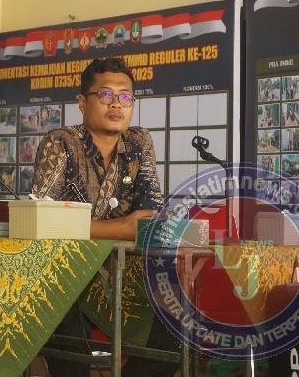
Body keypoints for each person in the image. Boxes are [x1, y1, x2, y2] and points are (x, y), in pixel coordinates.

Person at [32, 58, 177, 376]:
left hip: (121, 273)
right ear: (82, 103)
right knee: (68, 327)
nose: (116, 104)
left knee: (175, 319)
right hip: (63, 273)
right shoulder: (61, 143)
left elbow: (149, 218)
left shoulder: (139, 142)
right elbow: (41, 221)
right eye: (106, 95)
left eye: (125, 96)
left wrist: (96, 228)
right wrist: (121, 227)